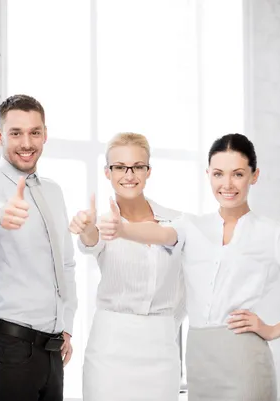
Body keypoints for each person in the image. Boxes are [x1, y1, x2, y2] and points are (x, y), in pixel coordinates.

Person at [97, 133, 280, 401]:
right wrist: (123, 230)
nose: (227, 184)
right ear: (208, 175)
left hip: (244, 358)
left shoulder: (271, 234)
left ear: (254, 175)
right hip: (198, 358)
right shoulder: (191, 226)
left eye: (237, 174)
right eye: (218, 174)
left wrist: (273, 330)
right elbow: (159, 234)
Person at [0, 94, 78, 401]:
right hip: (10, 346)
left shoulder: (53, 192)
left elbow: (66, 265)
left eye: (34, 132)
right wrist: (4, 213)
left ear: (45, 134)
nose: (26, 143)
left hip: (53, 350)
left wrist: (66, 326)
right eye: (16, 133)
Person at [69, 133, 184, 401]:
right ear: (107, 172)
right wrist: (86, 230)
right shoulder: (101, 224)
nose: (129, 174)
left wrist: (168, 324)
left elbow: (187, 285)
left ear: (148, 171)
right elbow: (92, 241)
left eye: (137, 166)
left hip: (161, 348)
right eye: (119, 167)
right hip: (111, 347)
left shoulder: (176, 221)